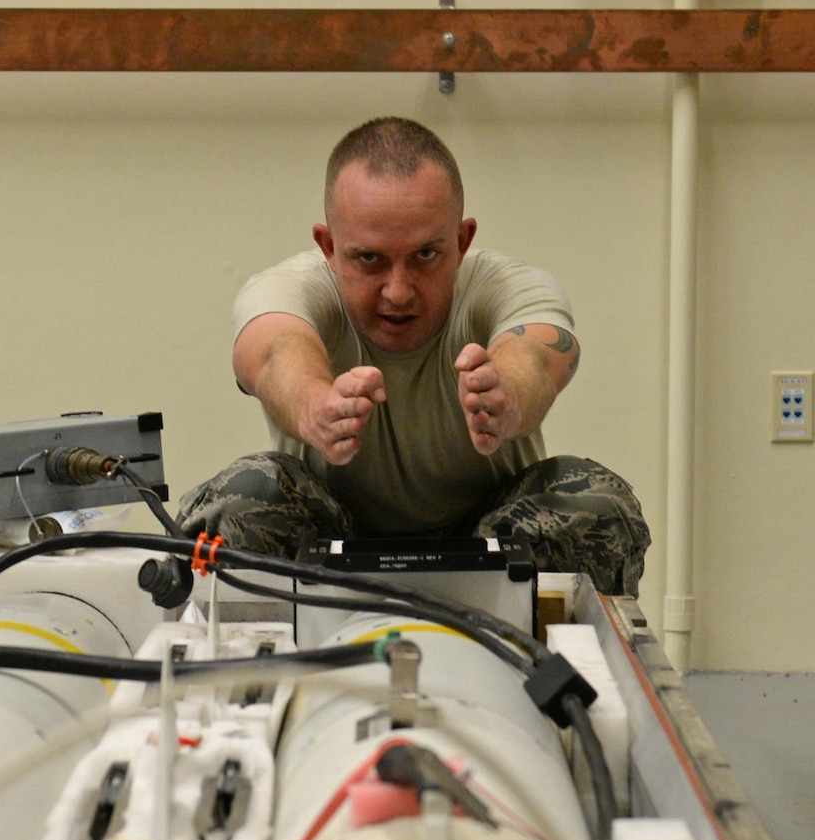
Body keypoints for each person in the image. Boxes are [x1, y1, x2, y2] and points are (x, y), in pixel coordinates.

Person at [178, 116, 649, 594]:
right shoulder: (290, 288)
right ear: (329, 247)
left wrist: (509, 393)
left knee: (596, 503)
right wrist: (313, 406)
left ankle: (563, 664)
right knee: (243, 496)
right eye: (369, 259)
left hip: (493, 548)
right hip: (332, 554)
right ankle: (258, 663)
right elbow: (276, 350)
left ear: (463, 241)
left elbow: (538, 354)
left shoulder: (507, 286)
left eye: (426, 255)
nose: (399, 293)